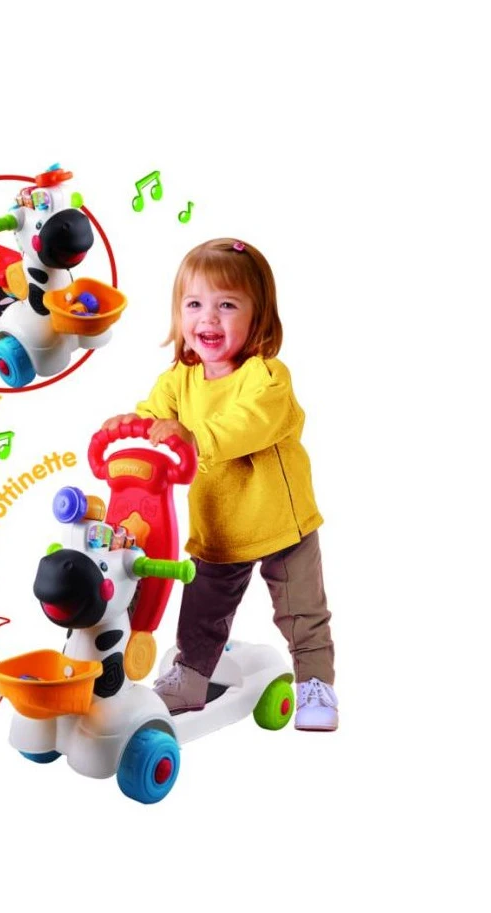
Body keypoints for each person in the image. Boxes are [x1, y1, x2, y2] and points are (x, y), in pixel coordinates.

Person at [102, 238, 337, 731]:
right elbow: (154, 421)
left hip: (281, 522)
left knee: (301, 612)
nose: (208, 318)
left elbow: (247, 423)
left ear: (258, 317)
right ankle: (190, 675)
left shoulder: (267, 378)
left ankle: (315, 683)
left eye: (227, 305)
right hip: (219, 528)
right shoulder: (177, 381)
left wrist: (194, 435)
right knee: (201, 612)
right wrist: (131, 427)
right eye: (194, 304)